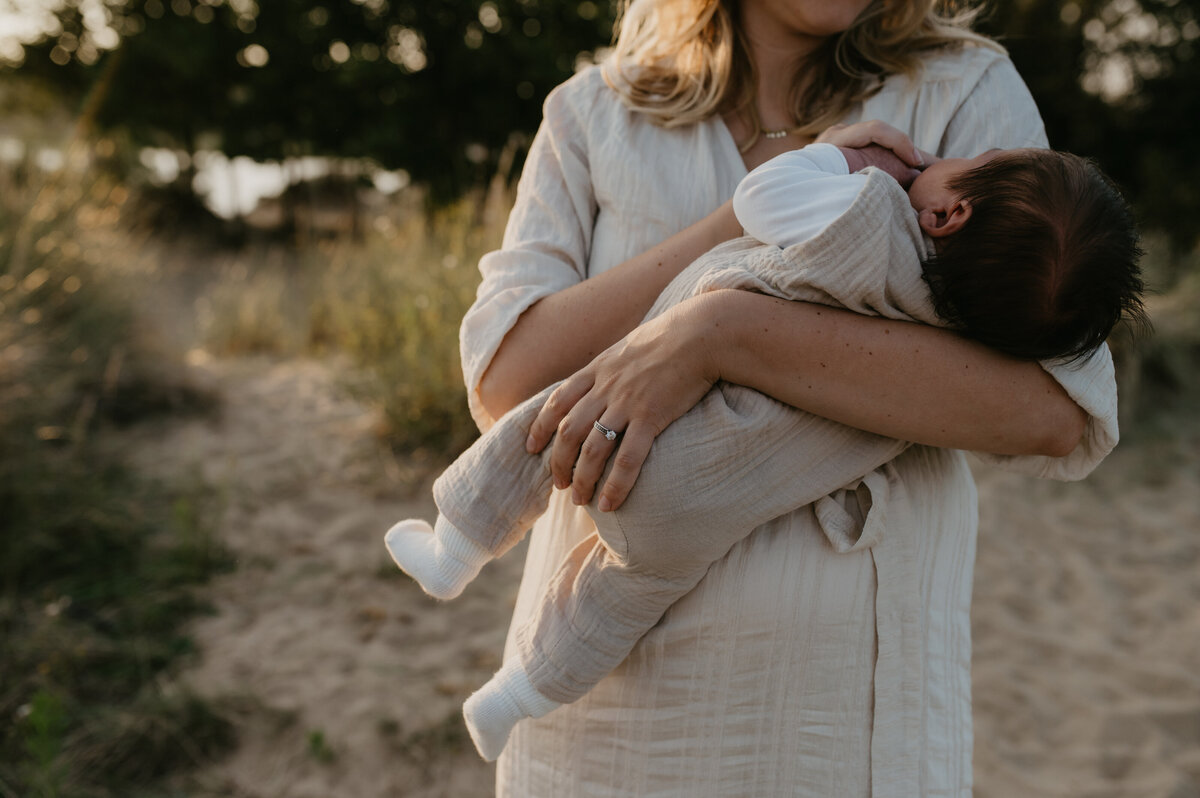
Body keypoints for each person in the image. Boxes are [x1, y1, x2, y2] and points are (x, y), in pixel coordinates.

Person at [450, 1, 1121, 794]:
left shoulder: (962, 89)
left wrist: (725, 332)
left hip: (841, 726)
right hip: (604, 715)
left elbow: (1051, 408)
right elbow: (506, 386)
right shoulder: (592, 113)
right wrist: (734, 222)